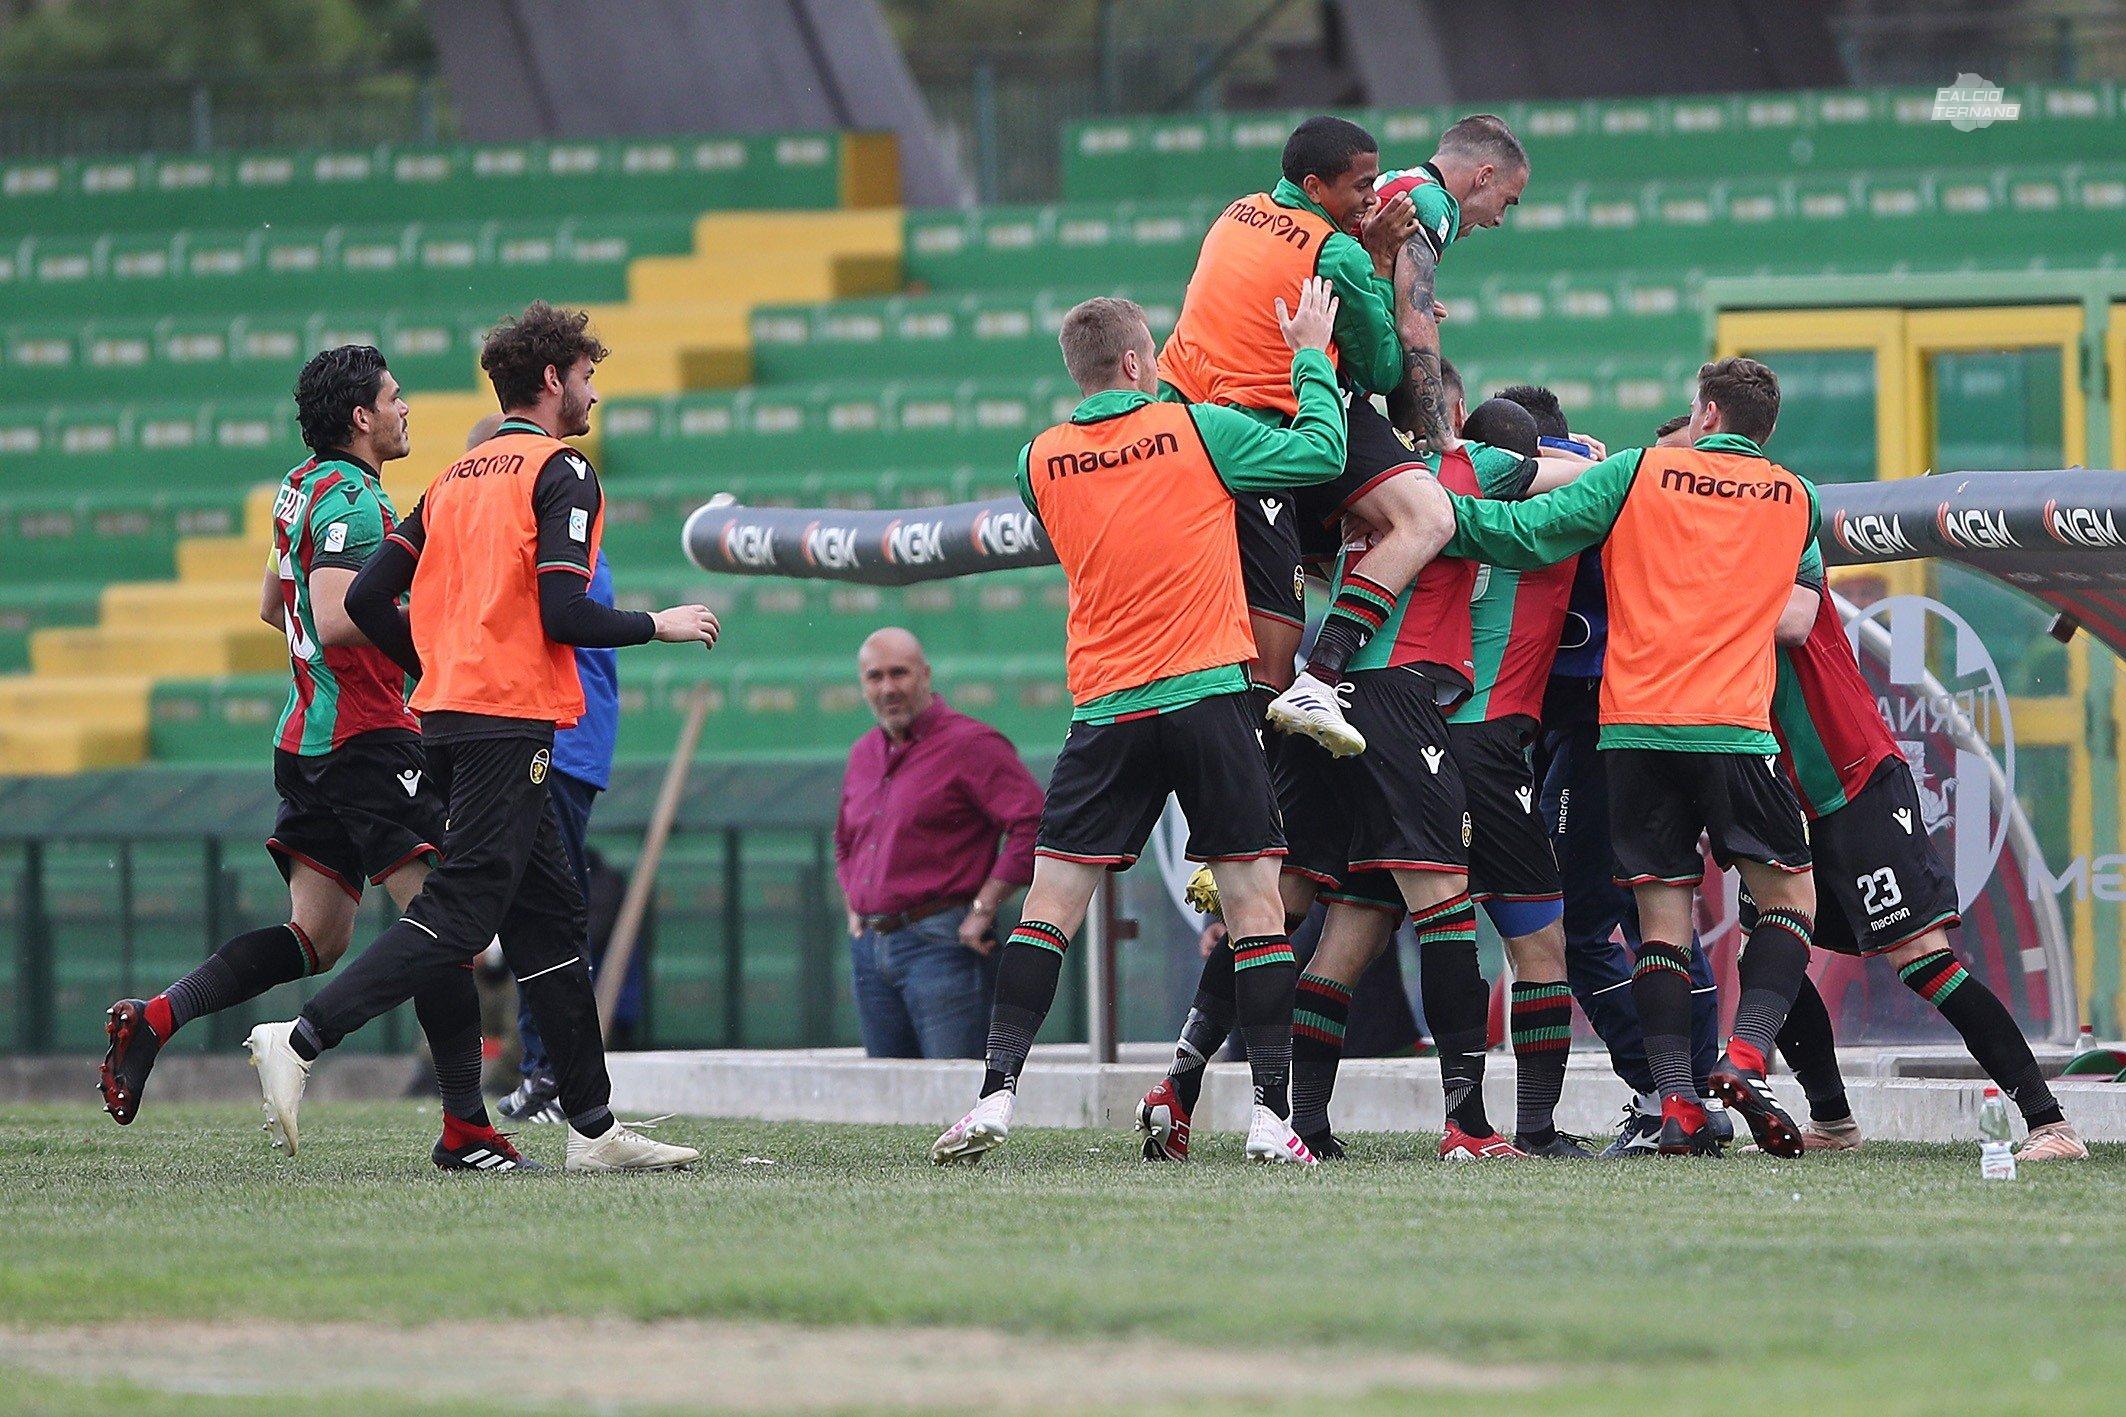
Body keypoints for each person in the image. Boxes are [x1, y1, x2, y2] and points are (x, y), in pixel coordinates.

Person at [243, 302, 719, 1173]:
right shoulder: (560, 469)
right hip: (507, 719)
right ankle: (300, 1039)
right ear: (551, 381)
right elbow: (565, 610)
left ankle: (594, 1128)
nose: (594, 394)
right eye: (586, 377)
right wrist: (662, 622)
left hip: (449, 719)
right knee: (461, 910)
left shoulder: (455, 477)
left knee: (549, 919)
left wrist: (431, 661)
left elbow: (366, 599)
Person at [930, 281, 1348, 1168]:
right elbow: (1320, 452)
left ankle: (995, 1098)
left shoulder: (1037, 458)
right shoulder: (1196, 429)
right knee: (1253, 906)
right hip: (1206, 694)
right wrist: (1310, 351)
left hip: (1107, 707)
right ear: (1133, 361)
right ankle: (1273, 1120)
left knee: (1050, 907)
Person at [97, 347, 516, 1171]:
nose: (406, 410)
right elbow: (332, 613)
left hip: (306, 738)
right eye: (395, 399)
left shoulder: (301, 486)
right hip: (365, 738)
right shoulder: (357, 502)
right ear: (361, 417)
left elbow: (269, 603)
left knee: (318, 936)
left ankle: (154, 1020)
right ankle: (466, 1126)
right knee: (443, 924)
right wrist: (431, 646)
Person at [1435, 357, 1822, 1157]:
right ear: (1765, 430)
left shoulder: (1639, 474)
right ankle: (1745, 1055)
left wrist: (1433, 514)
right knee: (1790, 901)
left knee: (1659, 928)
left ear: (1707, 414)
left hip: (1632, 734)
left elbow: (1527, 530)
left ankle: (1676, 1101)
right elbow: (1801, 615)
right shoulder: (1797, 499)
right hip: (1732, 728)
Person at [1750, 560, 2088, 1160]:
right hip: (1790, 793)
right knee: (1769, 949)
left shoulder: (1778, 518)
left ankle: (2050, 1124)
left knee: (1923, 963)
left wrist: (1693, 607)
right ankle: (1832, 1122)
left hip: (1857, 787)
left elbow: (1796, 621)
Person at [1268, 114, 1531, 754]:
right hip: (1324, 398)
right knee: (1429, 519)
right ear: (1484, 175)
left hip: (1287, 400)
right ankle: (1324, 676)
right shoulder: (1432, 204)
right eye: (1508, 201)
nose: (1500, 218)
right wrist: (1440, 436)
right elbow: (1414, 327)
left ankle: (1305, 694)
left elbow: (1377, 288)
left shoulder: (1386, 185)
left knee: (1340, 554)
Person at [1157, 115, 1416, 713]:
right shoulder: (1339, 253)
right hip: (1258, 449)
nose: (1372, 200)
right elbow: (1382, 372)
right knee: (1275, 649)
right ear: (1316, 186)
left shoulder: (1236, 211)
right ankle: (1307, 692)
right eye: (1360, 187)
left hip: (1182, 424)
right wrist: (1376, 262)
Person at [1529, 402, 1726, 1155]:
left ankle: (1664, 1091)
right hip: (1647, 725)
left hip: (1600, 731)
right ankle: (1695, 1092)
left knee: (1580, 927)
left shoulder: (1576, 483)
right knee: (1658, 919)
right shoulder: (1629, 482)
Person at [453, 405, 628, 1126]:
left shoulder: (544, 534)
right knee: (535, 910)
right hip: (557, 739)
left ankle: (553, 1073)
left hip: (555, 739)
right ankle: (543, 1070)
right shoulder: (551, 528)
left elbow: (565, 617)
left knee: (546, 912)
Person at [836, 626, 1043, 1059]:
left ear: (925, 675)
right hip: (870, 949)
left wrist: (983, 908)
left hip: (942, 943)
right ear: (862, 684)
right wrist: (854, 903)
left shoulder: (972, 744)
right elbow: (846, 842)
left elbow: (1032, 824)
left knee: (954, 1097)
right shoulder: (863, 754)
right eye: (875, 677)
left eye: (900, 673)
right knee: (888, 1105)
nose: (888, 688)